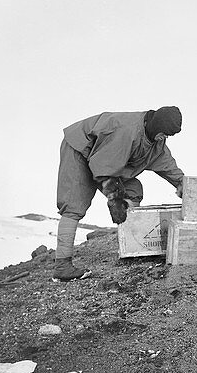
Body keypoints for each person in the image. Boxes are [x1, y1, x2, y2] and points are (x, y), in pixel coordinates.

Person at [53, 106, 186, 281]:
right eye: (164, 133)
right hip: (80, 150)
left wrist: (183, 185)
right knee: (74, 204)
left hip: (104, 161)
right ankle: (62, 266)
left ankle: (130, 248)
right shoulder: (126, 131)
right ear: (156, 126)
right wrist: (114, 198)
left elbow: (167, 164)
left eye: (168, 136)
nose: (165, 138)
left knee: (133, 191)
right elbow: (103, 166)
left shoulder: (155, 141)